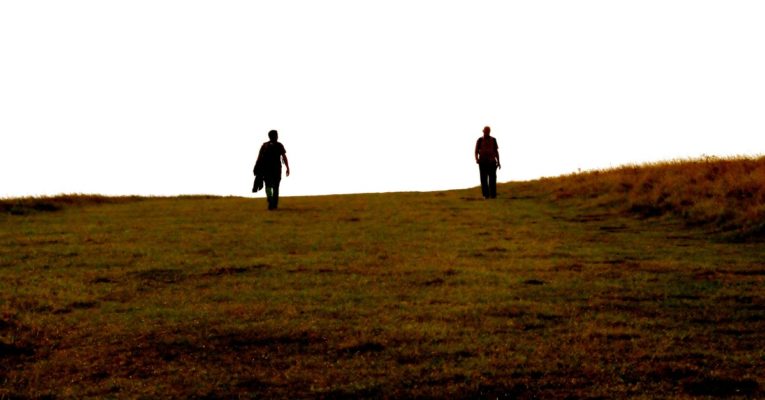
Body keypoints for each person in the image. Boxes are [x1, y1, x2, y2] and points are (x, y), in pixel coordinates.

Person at [254, 130, 290, 210]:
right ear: (275, 136)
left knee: (269, 186)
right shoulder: (279, 145)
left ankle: (271, 201)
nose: (277, 136)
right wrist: (287, 167)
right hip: (276, 170)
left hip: (267, 170)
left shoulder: (265, 145)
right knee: (275, 187)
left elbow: (259, 157)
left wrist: (256, 166)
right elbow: (284, 157)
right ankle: (273, 204)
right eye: (277, 135)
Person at [474, 126, 501, 199]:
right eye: (485, 131)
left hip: (492, 162)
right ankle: (486, 195)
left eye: (488, 131)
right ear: (483, 131)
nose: (486, 133)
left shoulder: (493, 140)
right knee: (483, 179)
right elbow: (476, 151)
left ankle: (493, 195)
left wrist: (498, 162)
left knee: (492, 179)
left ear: (489, 132)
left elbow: (496, 151)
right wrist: (476, 159)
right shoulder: (479, 140)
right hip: (482, 162)